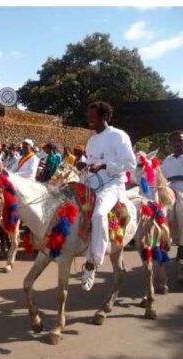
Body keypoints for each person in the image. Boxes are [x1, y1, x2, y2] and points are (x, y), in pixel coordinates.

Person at [76, 101, 136, 291]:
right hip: (90, 183)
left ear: (104, 117)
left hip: (112, 186)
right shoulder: (92, 140)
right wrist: (83, 163)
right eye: (88, 116)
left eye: (92, 117)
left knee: (100, 214)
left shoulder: (118, 136)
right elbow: (89, 161)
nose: (89, 120)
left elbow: (130, 164)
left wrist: (103, 165)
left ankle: (93, 262)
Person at [161, 131, 183, 264]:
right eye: (174, 140)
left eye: (180, 140)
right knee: (160, 212)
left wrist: (175, 177)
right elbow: (162, 177)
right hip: (169, 189)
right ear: (171, 143)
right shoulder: (168, 159)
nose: (177, 143)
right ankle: (163, 242)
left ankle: (182, 246)